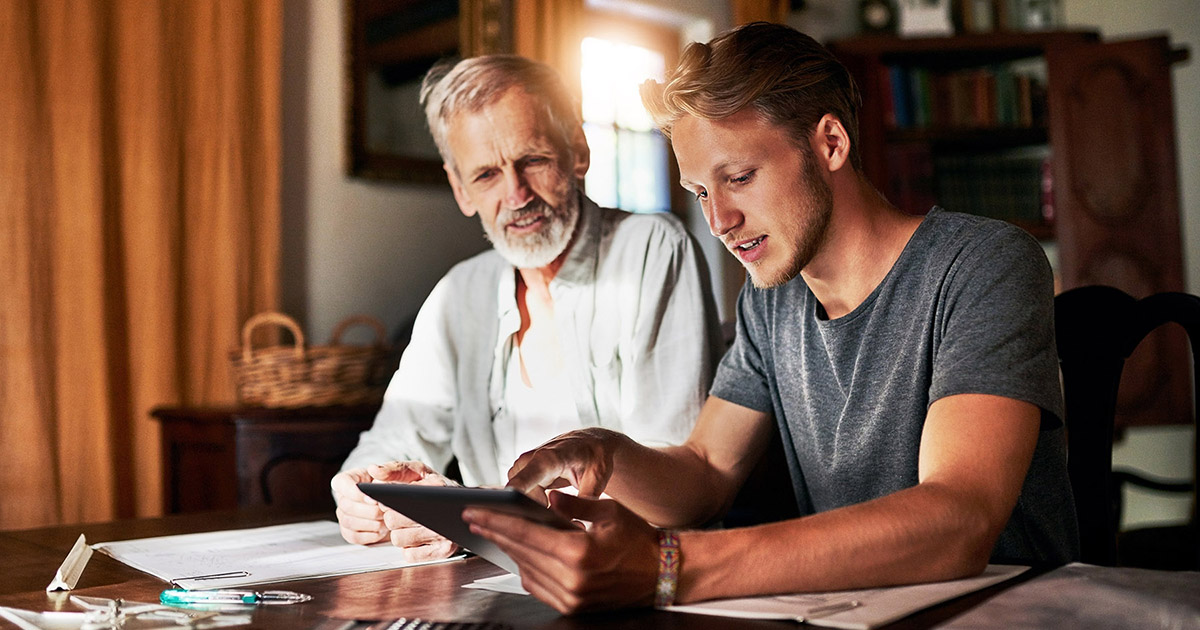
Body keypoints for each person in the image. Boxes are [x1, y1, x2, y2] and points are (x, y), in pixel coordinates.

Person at [462, 22, 1079, 614]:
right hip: (852, 613)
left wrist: (668, 564)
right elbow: (704, 471)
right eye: (702, 191)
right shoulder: (770, 299)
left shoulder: (984, 264)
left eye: (739, 177)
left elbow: (958, 519)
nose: (719, 220)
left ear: (830, 143)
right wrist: (603, 450)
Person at [331, 54, 724, 562]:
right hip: (501, 584)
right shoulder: (458, 295)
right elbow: (390, 442)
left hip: (642, 580)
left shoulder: (652, 249)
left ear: (578, 151)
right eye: (487, 175)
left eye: (533, 160)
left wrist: (476, 517)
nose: (516, 194)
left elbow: (674, 493)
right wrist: (362, 494)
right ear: (460, 189)